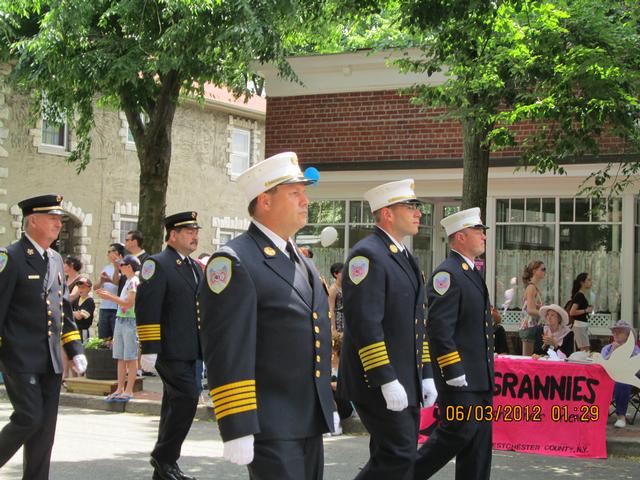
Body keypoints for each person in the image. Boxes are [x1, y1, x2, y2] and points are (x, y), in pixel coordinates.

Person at [199, 152, 335, 480]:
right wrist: (237, 424)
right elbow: (227, 349)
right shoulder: (234, 261)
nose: (306, 201)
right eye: (295, 193)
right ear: (265, 201)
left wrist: (327, 406)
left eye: (305, 193)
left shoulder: (301, 261)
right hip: (268, 423)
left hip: (306, 421)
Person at [338, 178, 435, 479]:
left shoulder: (405, 257)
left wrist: (427, 374)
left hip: (406, 377)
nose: (419, 213)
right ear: (387, 213)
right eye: (411, 206)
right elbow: (365, 322)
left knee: (392, 455)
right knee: (400, 452)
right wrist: (385, 378)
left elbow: (418, 323)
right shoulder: (368, 255)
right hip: (378, 380)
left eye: (418, 207)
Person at [0, 194, 87, 480]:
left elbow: (63, 309)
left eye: (59, 219)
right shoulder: (10, 257)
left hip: (50, 359)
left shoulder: (54, 258)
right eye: (51, 218)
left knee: (45, 429)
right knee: (29, 416)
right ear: (32, 220)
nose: (58, 224)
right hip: (19, 356)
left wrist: (75, 349)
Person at [413, 207, 493, 480]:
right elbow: (438, 330)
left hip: (479, 379)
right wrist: (453, 370)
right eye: (478, 231)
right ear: (460, 236)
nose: (484, 236)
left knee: (479, 445)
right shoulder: (447, 274)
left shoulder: (470, 272)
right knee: (458, 431)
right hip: (460, 379)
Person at [136, 211, 203, 480]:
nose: (195, 236)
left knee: (175, 403)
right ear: (172, 235)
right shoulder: (158, 263)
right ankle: (163, 456)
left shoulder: (193, 266)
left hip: (191, 349)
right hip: (169, 348)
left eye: (196, 231)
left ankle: (165, 468)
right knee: (187, 397)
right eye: (189, 232)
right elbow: (147, 306)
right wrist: (150, 346)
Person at [96, 254, 140, 402]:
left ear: (129, 267)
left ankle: (129, 390)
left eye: (122, 265)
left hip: (130, 320)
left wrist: (109, 297)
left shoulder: (134, 281)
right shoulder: (128, 281)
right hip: (121, 319)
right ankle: (120, 388)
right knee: (120, 356)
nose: (120, 268)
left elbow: (129, 303)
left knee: (130, 357)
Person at [601, 320, 640, 428]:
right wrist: (613, 351)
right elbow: (602, 365)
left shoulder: (635, 349)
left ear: (628, 336)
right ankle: (598, 413)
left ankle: (621, 416)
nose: (616, 334)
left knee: (622, 381)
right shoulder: (607, 348)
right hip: (608, 378)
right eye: (614, 332)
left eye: (620, 332)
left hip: (629, 380)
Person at [94, 243, 125, 342]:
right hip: (104, 307)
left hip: (117, 308)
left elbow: (117, 283)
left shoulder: (125, 266)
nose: (107, 254)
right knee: (103, 338)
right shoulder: (106, 268)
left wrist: (116, 269)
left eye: (109, 252)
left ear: (116, 253)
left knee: (116, 339)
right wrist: (102, 280)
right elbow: (95, 287)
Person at [519, 260, 546, 356]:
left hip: (532, 326)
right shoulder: (531, 287)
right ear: (534, 271)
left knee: (530, 359)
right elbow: (530, 310)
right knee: (527, 361)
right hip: (529, 327)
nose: (544, 272)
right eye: (542, 269)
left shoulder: (533, 287)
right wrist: (544, 313)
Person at [569, 272, 594, 352]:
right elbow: (572, 312)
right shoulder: (579, 295)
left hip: (582, 325)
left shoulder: (582, 295)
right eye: (589, 280)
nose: (591, 282)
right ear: (582, 282)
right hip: (579, 326)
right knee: (584, 350)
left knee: (585, 349)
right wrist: (585, 310)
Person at [72, 276, 95, 343]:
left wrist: (73, 313)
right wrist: (75, 313)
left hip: (83, 331)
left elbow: (79, 317)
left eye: (83, 287)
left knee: (83, 349)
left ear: (89, 289)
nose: (80, 289)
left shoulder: (90, 301)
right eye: (79, 287)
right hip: (74, 330)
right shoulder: (76, 300)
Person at [328, 262, 344, 333]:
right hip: (339, 323)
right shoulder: (333, 289)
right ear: (335, 274)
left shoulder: (346, 287)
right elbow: (331, 309)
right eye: (343, 272)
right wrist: (333, 329)